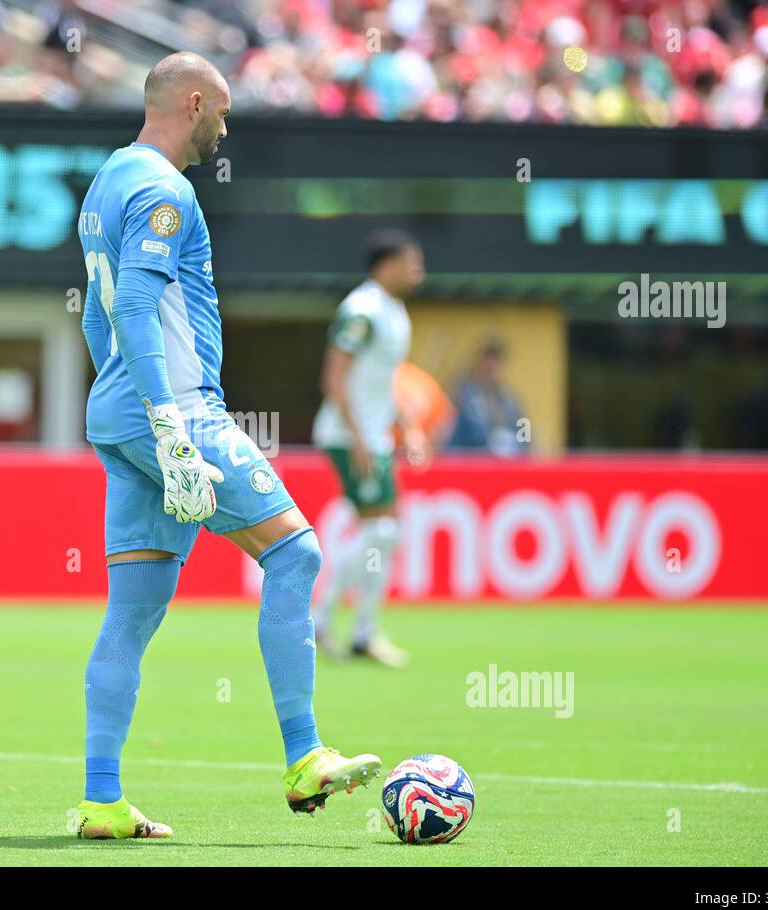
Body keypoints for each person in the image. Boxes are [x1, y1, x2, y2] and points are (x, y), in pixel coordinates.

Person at [74, 51, 380, 840]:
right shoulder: (164, 190)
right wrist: (171, 425)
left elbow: (95, 319)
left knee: (133, 611)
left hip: (120, 409)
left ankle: (102, 800)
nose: (225, 128)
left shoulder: (106, 182)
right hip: (171, 407)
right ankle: (305, 755)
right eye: (224, 112)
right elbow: (137, 307)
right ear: (196, 100)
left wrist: (124, 403)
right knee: (296, 553)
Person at [312, 230, 427, 667]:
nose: (419, 270)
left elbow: (385, 381)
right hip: (348, 435)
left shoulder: (395, 313)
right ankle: (325, 622)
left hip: (373, 436)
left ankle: (361, 632)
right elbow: (335, 378)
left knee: (385, 532)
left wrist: (407, 426)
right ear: (387, 264)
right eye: (411, 261)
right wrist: (360, 438)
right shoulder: (360, 310)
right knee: (379, 531)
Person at [448, 339, 527, 455]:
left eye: (496, 360)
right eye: (488, 359)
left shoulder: (508, 398)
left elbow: (524, 428)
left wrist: (522, 443)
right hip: (471, 461)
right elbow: (460, 432)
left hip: (506, 463)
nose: (491, 365)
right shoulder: (464, 393)